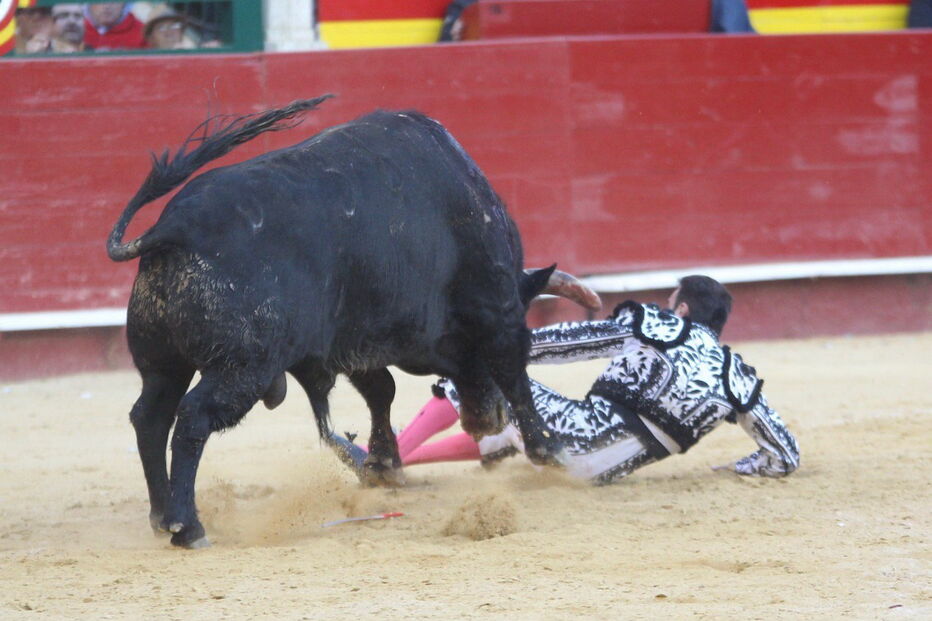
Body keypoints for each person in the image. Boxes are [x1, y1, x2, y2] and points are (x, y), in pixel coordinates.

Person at [330, 275, 799, 485]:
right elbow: (784, 455)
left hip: (573, 437)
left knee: (480, 375)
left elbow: (579, 341)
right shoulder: (734, 379)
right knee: (512, 427)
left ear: (682, 309)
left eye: (670, 299)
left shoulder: (664, 328)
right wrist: (737, 468)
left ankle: (383, 457)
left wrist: (506, 345)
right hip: (600, 476)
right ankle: (401, 461)